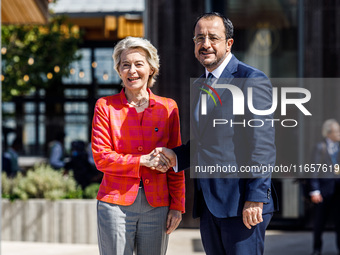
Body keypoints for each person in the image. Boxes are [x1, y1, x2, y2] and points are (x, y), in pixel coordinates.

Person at [153, 12, 277, 255]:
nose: (205, 44)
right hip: (210, 205)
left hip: (242, 204)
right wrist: (176, 156)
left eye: (213, 37)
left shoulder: (250, 79)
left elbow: (262, 145)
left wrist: (255, 197)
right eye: (199, 38)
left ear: (229, 43)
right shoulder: (202, 84)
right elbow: (206, 143)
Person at [91, 36, 185, 255]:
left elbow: (176, 161)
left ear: (151, 68)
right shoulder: (105, 107)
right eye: (125, 65)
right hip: (115, 203)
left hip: (157, 205)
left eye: (138, 64)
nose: (132, 71)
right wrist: (142, 160)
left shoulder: (168, 108)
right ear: (119, 70)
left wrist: (177, 205)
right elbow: (101, 157)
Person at [308, 119, 340, 255]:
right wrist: (314, 190)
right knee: (319, 222)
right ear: (328, 133)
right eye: (336, 131)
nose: (339, 134)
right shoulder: (319, 147)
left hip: (338, 191)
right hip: (323, 191)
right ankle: (316, 249)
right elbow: (313, 170)